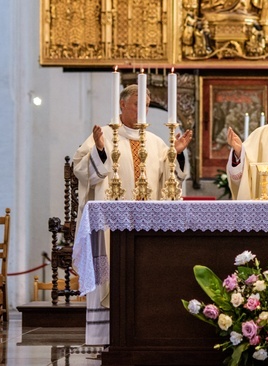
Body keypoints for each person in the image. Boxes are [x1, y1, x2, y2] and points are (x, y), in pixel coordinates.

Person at [73, 84, 193, 345]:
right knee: (110, 276)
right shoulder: (104, 134)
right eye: (138, 105)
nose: (143, 112)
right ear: (122, 105)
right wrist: (101, 150)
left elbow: (170, 179)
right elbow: (82, 171)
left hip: (148, 225)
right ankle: (106, 336)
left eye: (147, 106)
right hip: (110, 227)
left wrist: (177, 156)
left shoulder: (156, 142)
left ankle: (147, 331)